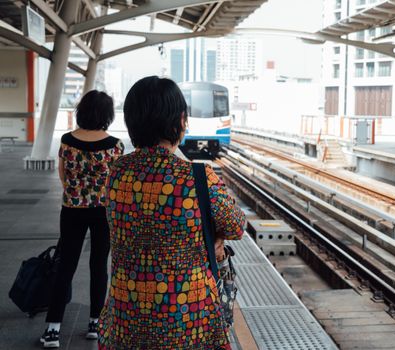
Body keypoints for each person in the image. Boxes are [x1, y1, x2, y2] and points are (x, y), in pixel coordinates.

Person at [98, 76, 245, 349]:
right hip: (187, 318)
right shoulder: (197, 177)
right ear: (180, 120)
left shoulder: (117, 172)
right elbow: (237, 226)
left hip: (126, 315)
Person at [40, 91, 124, 348]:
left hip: (73, 209)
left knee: (66, 265)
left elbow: (63, 175)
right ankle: (95, 324)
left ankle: (53, 329)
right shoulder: (115, 145)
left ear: (82, 111)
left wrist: (75, 193)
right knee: (99, 265)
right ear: (107, 114)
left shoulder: (67, 140)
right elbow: (117, 182)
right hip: (103, 211)